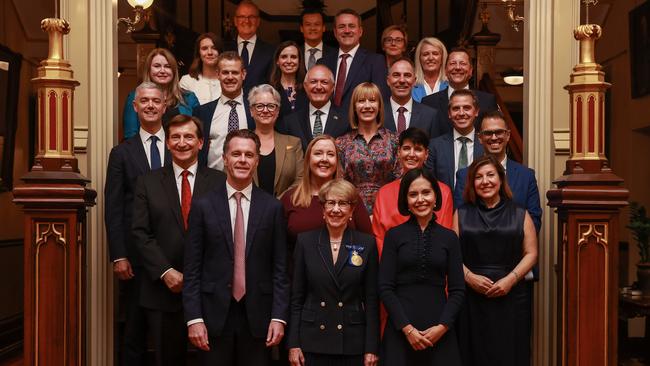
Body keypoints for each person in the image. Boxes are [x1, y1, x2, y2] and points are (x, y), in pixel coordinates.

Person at [183, 129, 290, 366]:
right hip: (212, 317)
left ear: (257, 160)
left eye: (249, 155)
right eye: (236, 154)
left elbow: (280, 269)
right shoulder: (203, 206)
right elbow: (192, 270)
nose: (242, 160)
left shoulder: (272, 207)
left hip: (259, 318)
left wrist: (278, 317)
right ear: (225, 158)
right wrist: (194, 319)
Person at [131, 115, 226, 366]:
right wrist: (165, 271)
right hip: (162, 290)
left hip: (209, 291)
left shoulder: (220, 183)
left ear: (201, 143)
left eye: (188, 137)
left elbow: (226, 234)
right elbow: (140, 232)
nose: (182, 142)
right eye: (175, 137)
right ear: (168, 143)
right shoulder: (147, 182)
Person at [105, 82, 171, 365]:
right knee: (134, 331)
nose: (150, 106)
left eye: (156, 101)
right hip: (135, 259)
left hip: (173, 255)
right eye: (144, 101)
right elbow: (114, 207)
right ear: (135, 106)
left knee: (170, 335)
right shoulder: (121, 153)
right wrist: (119, 255)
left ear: (165, 105)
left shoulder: (180, 145)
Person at [454, 155, 538, 366]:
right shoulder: (461, 213)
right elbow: (452, 254)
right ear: (472, 183)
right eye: (479, 177)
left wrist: (510, 280)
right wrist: (469, 277)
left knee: (511, 354)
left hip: (512, 296)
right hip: (471, 298)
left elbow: (531, 254)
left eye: (491, 175)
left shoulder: (521, 213)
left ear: (501, 179)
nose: (485, 181)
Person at [287, 179, 379, 366]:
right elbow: (296, 298)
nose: (336, 209)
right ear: (322, 208)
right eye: (330, 203)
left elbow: (371, 300)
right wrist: (293, 344)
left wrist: (372, 348)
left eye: (342, 203)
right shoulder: (305, 242)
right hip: (312, 340)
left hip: (352, 341)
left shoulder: (367, 244)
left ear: (352, 210)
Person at [378, 168, 465, 365]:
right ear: (405, 201)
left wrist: (442, 327)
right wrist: (407, 329)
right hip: (400, 332)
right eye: (413, 194)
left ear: (436, 197)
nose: (420, 199)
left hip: (441, 334)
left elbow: (458, 290)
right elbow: (385, 287)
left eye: (426, 192)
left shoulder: (449, 238)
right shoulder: (394, 236)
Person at [280, 135, 372, 264]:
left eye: (330, 154)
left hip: (345, 278)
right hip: (299, 277)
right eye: (318, 153)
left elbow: (368, 242)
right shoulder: (290, 198)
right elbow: (280, 250)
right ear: (307, 160)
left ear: (337, 161)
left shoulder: (351, 196)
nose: (324, 159)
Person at [453, 111, 542, 231]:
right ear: (480, 138)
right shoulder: (464, 175)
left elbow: (534, 220)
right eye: (488, 133)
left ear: (508, 135)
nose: (494, 138)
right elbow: (460, 219)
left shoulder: (526, 175)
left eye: (499, 132)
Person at [372, 127, 454, 255]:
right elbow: (379, 238)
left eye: (418, 149)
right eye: (406, 148)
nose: (411, 154)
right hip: (394, 264)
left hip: (432, 264)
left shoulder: (443, 191)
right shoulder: (384, 193)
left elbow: (444, 235)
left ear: (426, 154)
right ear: (398, 152)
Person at [336, 82, 401, 213]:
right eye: (361, 101)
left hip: (389, 209)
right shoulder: (342, 143)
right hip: (352, 211)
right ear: (354, 107)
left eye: (372, 101)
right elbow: (339, 184)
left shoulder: (394, 140)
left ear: (379, 106)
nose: (367, 106)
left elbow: (400, 178)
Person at [318, 8, 389, 125]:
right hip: (327, 127)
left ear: (360, 31)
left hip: (359, 127)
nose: (347, 30)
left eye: (351, 26)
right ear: (335, 32)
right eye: (341, 27)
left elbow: (381, 99)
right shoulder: (323, 62)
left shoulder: (375, 61)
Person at [194, 51, 254, 171]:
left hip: (248, 180)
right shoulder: (202, 112)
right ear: (218, 74)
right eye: (225, 72)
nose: (230, 77)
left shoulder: (254, 110)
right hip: (212, 182)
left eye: (235, 72)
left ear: (243, 74)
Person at [123, 48, 200, 140]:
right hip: (147, 152)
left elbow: (198, 134)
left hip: (182, 151)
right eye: (157, 66)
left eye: (167, 66)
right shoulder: (135, 96)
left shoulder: (189, 98)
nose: (162, 71)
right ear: (149, 70)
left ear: (174, 70)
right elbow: (130, 136)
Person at [421, 47, 497, 136]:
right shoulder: (429, 103)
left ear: (471, 71)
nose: (457, 67)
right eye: (452, 63)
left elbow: (493, 133)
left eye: (463, 63)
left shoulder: (487, 101)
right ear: (445, 70)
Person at [248, 84, 304, 197]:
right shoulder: (240, 142)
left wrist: (278, 203)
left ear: (277, 111)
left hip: (283, 209)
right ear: (251, 111)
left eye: (271, 106)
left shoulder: (293, 143)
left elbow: (300, 179)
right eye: (259, 106)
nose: (265, 110)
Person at [277, 65, 349, 151]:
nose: (318, 87)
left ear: (332, 87)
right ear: (305, 86)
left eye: (324, 82)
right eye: (313, 82)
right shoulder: (290, 121)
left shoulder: (346, 120)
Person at [424, 89, 484, 189]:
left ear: (476, 111)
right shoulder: (434, 146)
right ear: (449, 113)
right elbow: (429, 183)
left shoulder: (486, 144)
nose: (461, 113)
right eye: (456, 108)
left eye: (467, 108)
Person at [224, 0, 275, 94]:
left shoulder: (271, 51)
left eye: (251, 17)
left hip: (259, 105)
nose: (246, 21)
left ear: (258, 21)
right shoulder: (223, 49)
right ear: (235, 21)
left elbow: (273, 84)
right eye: (242, 17)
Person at [384, 57, 441, 139]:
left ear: (414, 81)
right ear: (388, 81)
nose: (402, 80)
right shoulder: (377, 113)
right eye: (396, 75)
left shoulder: (430, 115)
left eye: (407, 75)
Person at [179, 32, 222, 105]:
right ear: (199, 53)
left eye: (214, 48)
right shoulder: (187, 81)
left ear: (220, 52)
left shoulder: (227, 80)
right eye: (204, 48)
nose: (209, 52)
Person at [269, 41, 308, 119]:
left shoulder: (307, 88)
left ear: (299, 61)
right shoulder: (269, 89)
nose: (289, 61)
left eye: (293, 57)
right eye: (284, 57)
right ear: (277, 61)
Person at [412, 37, 448, 102]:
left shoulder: (450, 83)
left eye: (435, 54)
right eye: (425, 54)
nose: (431, 58)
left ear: (442, 57)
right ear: (419, 58)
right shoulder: (411, 84)